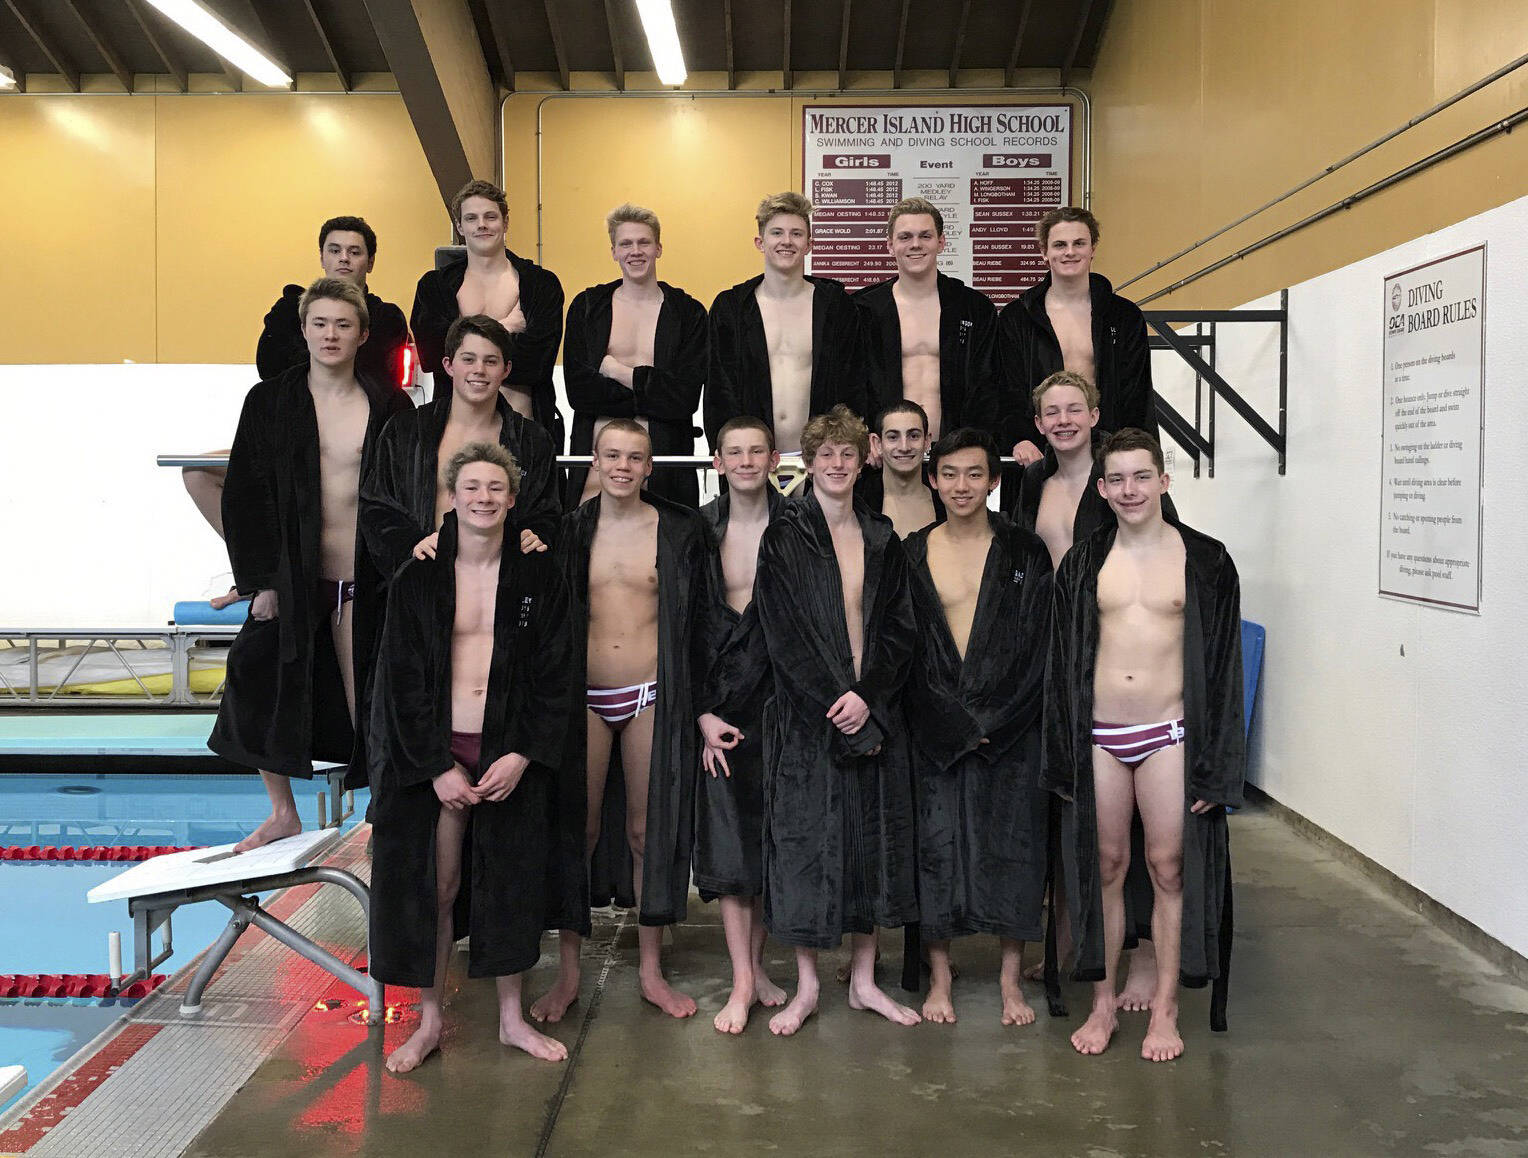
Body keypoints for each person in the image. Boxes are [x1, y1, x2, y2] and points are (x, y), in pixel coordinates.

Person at [701, 405, 920, 1035]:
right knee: (805, 852)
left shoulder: (881, 536)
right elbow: (782, 630)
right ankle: (806, 987)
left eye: (848, 454)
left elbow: (900, 633)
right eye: (825, 455)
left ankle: (865, 982)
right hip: (806, 719)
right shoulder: (786, 533)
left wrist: (869, 697)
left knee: (870, 851)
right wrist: (834, 699)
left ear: (864, 459)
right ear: (808, 462)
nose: (837, 464)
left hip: (871, 715)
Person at [367, 442, 578, 1071]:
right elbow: (398, 679)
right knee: (438, 885)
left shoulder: (541, 574)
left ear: (513, 500)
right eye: (472, 488)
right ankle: (429, 1020)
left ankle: (511, 1018)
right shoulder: (419, 576)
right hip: (438, 753)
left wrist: (523, 754)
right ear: (450, 497)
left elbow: (556, 672)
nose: (483, 499)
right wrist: (433, 765)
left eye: (496, 489)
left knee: (508, 885)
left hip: (507, 751)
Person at [1044, 428, 1243, 1062]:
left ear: (1164, 479)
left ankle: (1164, 1010)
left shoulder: (1206, 561)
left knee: (1168, 869)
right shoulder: (1083, 562)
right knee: (1103, 867)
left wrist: (1219, 770)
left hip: (1169, 732)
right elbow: (1060, 662)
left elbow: (1225, 669)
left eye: (1141, 476)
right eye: (1117, 479)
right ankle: (1102, 1005)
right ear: (1102, 489)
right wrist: (1060, 754)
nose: (1130, 489)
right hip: (1099, 734)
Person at [209, 278, 411, 850]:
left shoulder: (385, 404)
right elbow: (245, 495)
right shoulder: (270, 401)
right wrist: (260, 582)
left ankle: (379, 817)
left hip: (361, 579)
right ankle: (282, 812)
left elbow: (401, 492)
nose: (330, 334)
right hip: (293, 577)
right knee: (254, 677)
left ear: (363, 335)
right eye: (320, 323)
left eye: (343, 325)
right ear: (303, 330)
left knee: (369, 697)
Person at [531, 420, 713, 1023]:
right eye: (612, 456)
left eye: (635, 458)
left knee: (645, 833)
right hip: (582, 695)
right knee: (575, 834)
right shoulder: (567, 532)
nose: (623, 467)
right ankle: (568, 974)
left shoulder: (676, 529)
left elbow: (702, 619)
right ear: (595, 461)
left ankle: (652, 970)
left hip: (650, 693)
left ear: (649, 466)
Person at [1020, 370, 1178, 1006]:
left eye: (1073, 410)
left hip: (1118, 653)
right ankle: (1075, 947)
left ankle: (1140, 955)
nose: (1063, 421)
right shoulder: (1032, 482)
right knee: (1077, 815)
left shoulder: (1120, 479)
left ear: (1094, 413)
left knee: (1144, 831)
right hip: (1055, 658)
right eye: (1050, 412)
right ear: (1038, 424)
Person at [904, 428, 1052, 1026]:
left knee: (1012, 849)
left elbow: (1039, 644)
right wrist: (943, 721)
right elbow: (902, 647)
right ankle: (939, 976)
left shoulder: (1025, 551)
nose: (961, 486)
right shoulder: (910, 551)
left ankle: (1010, 981)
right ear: (932, 479)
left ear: (994, 481)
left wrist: (996, 721)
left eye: (974, 474)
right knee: (934, 849)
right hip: (935, 728)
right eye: (949, 474)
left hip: (1009, 728)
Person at [182, 216, 410, 572]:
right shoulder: (288, 309)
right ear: (321, 257)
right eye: (335, 251)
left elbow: (380, 377)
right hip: (290, 437)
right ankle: (264, 569)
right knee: (198, 473)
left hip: (354, 454)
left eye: (354, 252)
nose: (344, 260)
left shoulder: (386, 318)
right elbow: (270, 368)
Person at [695, 417, 788, 1034]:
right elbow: (683, 628)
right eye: (735, 452)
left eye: (758, 449)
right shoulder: (697, 529)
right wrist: (701, 714)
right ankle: (742, 981)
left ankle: (759, 969)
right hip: (719, 707)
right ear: (718, 461)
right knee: (730, 846)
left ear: (775, 457)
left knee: (773, 843)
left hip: (781, 703)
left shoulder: (801, 524)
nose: (747, 460)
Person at [360, 315, 561, 578]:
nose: (479, 370)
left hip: (498, 586)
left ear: (506, 370)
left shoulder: (533, 441)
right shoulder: (405, 431)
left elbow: (548, 515)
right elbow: (377, 507)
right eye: (468, 359)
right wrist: (411, 546)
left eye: (491, 361)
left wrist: (535, 536)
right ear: (449, 365)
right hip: (421, 580)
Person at [705, 191, 866, 491]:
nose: (786, 241)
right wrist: (729, 452)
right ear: (760, 242)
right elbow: (718, 390)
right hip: (752, 460)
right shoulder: (732, 308)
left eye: (796, 234)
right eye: (776, 233)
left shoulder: (835, 307)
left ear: (809, 244)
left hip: (822, 460)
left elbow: (854, 383)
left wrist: (846, 450)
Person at [564, 204, 707, 507]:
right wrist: (655, 390)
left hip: (665, 462)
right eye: (626, 244)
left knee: (667, 543)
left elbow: (684, 398)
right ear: (613, 251)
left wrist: (617, 371)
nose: (635, 251)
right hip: (596, 465)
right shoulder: (588, 307)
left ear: (658, 248)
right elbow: (580, 392)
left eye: (644, 242)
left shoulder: (688, 313)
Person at [998, 206, 1156, 474]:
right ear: (1044, 252)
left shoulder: (1123, 316)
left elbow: (1136, 394)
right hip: (1037, 453)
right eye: (1059, 244)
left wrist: (1138, 452)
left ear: (1093, 248)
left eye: (1079, 243)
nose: (1069, 252)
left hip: (1107, 450)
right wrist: (1018, 438)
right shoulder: (1018, 317)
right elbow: (1006, 388)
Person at [411, 179, 566, 449]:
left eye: (490, 216)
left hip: (522, 430)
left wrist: (462, 343)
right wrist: (504, 327)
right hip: (453, 433)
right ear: (460, 227)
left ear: (505, 223)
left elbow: (537, 364)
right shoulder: (434, 286)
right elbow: (433, 356)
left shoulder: (541, 284)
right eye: (471, 218)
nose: (481, 224)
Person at [855, 197, 1000, 445]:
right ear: (890, 245)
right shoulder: (863, 309)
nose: (915, 245)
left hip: (956, 452)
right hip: (884, 454)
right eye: (905, 237)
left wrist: (976, 442)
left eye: (925, 236)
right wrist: (863, 435)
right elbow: (852, 384)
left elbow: (989, 386)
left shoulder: (974, 308)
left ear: (941, 242)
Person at [854, 400, 945, 538]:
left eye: (914, 436)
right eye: (893, 437)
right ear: (877, 443)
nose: (904, 447)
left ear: (927, 442)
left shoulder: (947, 498)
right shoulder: (855, 502)